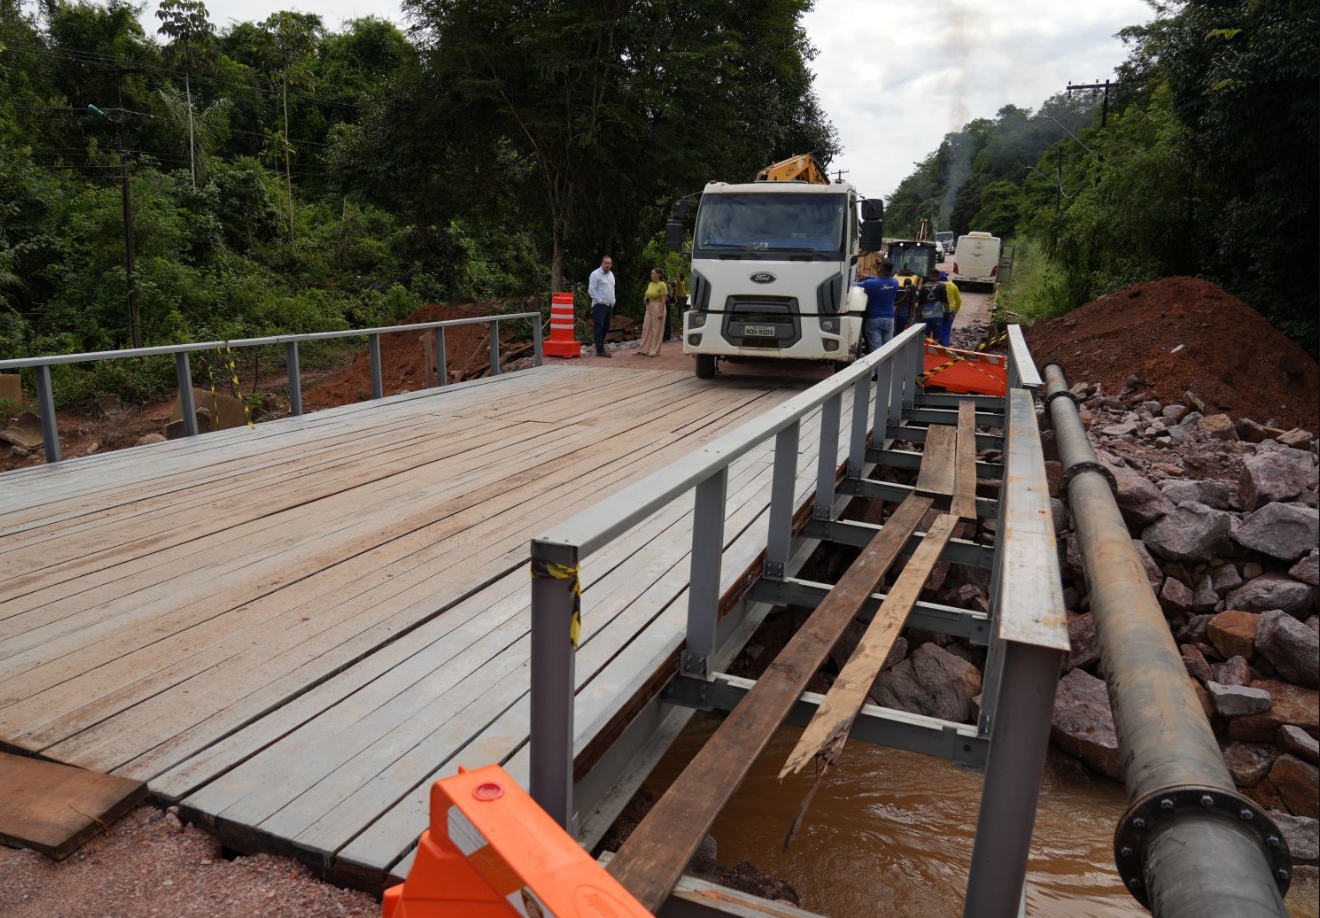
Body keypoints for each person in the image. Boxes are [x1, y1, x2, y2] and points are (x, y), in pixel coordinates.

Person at [856, 258, 900, 351]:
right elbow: (881, 281)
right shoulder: (895, 282)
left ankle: (878, 366)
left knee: (876, 351)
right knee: (887, 349)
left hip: (874, 320)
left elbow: (853, 285)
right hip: (889, 320)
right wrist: (867, 276)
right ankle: (887, 365)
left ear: (880, 269)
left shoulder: (870, 284)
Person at [588, 256, 616, 357]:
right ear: (602, 263)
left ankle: (600, 347)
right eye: (606, 263)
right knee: (599, 327)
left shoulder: (611, 274)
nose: (607, 265)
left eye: (609, 263)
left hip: (609, 305)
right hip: (599, 305)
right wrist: (600, 301)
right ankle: (600, 350)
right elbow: (591, 290)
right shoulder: (595, 274)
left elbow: (612, 288)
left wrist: (613, 300)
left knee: (606, 327)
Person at [638, 267, 669, 356]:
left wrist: (660, 312)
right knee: (646, 327)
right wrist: (646, 299)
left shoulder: (662, 285)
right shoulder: (650, 284)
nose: (652, 275)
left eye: (654, 273)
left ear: (658, 275)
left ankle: (654, 350)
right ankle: (643, 348)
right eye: (651, 273)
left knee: (657, 329)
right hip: (649, 306)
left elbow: (664, 299)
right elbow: (647, 294)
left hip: (657, 305)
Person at [915, 268, 948, 342]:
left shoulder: (923, 286)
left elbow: (920, 303)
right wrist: (948, 312)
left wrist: (919, 315)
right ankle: (935, 351)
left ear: (930, 276)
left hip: (925, 316)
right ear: (938, 276)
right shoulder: (942, 286)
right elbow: (945, 301)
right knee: (937, 337)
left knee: (925, 337)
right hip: (937, 316)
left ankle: (924, 352)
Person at [940, 272, 961, 346]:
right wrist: (955, 312)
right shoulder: (953, 286)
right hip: (950, 311)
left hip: (939, 311)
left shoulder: (937, 285)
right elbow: (959, 300)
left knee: (938, 330)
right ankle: (945, 348)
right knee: (947, 330)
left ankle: (936, 348)